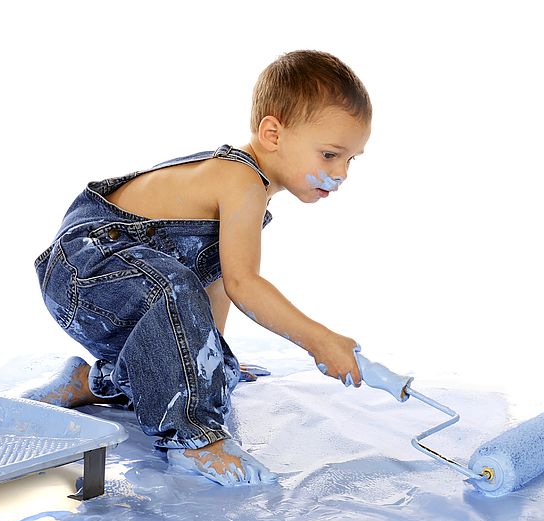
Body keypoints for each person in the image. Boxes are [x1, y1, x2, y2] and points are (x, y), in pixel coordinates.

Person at [28, 50, 372, 486]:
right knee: (174, 291)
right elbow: (243, 283)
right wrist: (320, 340)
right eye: (329, 155)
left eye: (351, 160)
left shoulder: (253, 190)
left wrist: (206, 355)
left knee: (207, 365)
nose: (340, 174)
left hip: (114, 279)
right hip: (83, 269)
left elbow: (217, 280)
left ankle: (91, 381)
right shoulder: (241, 181)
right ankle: (195, 441)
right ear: (272, 133)